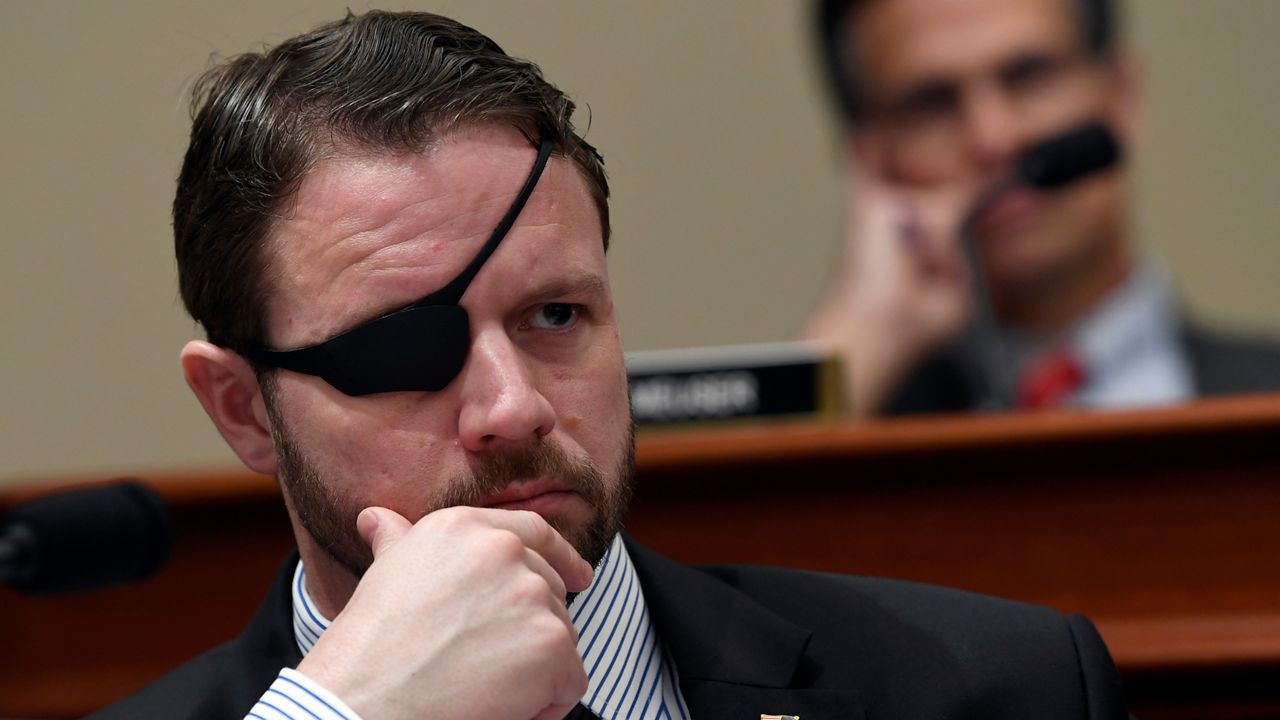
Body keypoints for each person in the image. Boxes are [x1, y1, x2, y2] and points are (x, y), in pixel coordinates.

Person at [92, 10, 1129, 719]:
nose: (512, 407)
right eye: (401, 349)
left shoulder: (997, 688)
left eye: (555, 314)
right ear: (241, 409)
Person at [804, 0, 1280, 416]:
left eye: (1030, 75)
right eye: (932, 104)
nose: (994, 138)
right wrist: (855, 340)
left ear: (1121, 99)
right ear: (870, 162)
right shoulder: (861, 417)